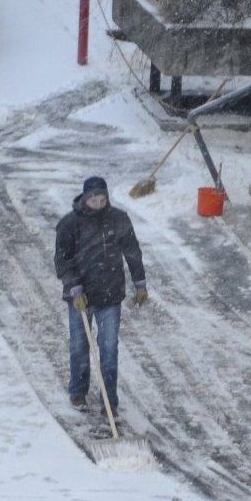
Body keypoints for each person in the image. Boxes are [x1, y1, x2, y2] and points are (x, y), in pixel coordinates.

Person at [54, 176, 148, 417]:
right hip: (80, 297)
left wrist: (140, 284)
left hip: (110, 294)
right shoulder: (70, 224)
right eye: (94, 199)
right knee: (79, 346)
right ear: (85, 199)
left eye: (102, 199)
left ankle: (109, 401)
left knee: (108, 348)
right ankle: (78, 391)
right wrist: (75, 289)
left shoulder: (118, 219)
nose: (98, 203)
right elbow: (62, 261)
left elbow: (132, 252)